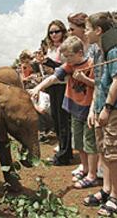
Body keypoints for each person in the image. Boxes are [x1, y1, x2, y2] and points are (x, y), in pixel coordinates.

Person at [32, 36, 98, 188]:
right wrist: (37, 88)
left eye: (69, 56)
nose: (67, 60)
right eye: (65, 57)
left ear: (80, 52)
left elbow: (98, 85)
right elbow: (53, 78)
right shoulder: (69, 65)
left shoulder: (92, 65)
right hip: (74, 109)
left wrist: (83, 79)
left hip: (88, 110)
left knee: (90, 144)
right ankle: (85, 168)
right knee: (79, 143)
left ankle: (92, 175)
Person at [83, 12, 117, 216]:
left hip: (115, 110)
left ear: (98, 30)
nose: (85, 33)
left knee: (113, 155)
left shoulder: (113, 51)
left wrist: (107, 108)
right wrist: (94, 108)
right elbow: (98, 83)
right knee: (103, 151)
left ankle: (115, 198)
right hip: (101, 109)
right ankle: (105, 190)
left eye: (87, 28)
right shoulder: (98, 51)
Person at [42, 20, 73, 165]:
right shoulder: (50, 49)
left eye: (56, 31)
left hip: (63, 85)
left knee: (63, 120)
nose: (54, 34)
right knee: (56, 119)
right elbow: (52, 69)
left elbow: (68, 66)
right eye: (51, 32)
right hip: (53, 85)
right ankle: (63, 150)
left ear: (63, 32)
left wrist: (50, 63)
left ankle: (64, 155)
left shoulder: (65, 47)